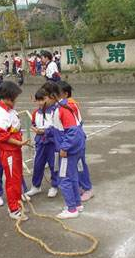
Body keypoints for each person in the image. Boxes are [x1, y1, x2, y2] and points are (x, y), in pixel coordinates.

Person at [41, 81, 84, 219]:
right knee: (72, 176)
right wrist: (45, 133)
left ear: (53, 96)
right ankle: (77, 204)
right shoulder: (58, 108)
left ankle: (71, 209)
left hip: (69, 150)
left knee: (64, 178)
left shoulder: (62, 109)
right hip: (73, 148)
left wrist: (64, 147)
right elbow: (56, 129)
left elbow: (73, 132)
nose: (43, 101)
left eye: (45, 98)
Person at [0, 81, 31, 220]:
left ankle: (17, 203)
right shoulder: (1, 113)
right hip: (8, 152)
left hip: (15, 150)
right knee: (12, 180)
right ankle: (13, 209)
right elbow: (2, 136)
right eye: (15, 97)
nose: (16, 100)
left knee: (17, 178)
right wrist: (19, 142)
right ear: (8, 98)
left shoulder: (10, 110)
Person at [57, 80, 93, 202]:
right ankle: (80, 187)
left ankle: (87, 188)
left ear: (65, 94)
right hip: (77, 138)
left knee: (80, 165)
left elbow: (74, 126)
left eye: (58, 94)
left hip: (76, 139)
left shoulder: (69, 105)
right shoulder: (68, 104)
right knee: (77, 165)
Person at [25, 88, 59, 198]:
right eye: (38, 100)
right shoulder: (36, 112)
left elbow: (57, 128)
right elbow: (33, 123)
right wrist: (34, 128)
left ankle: (54, 186)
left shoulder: (55, 111)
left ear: (49, 98)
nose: (40, 103)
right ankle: (36, 186)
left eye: (42, 99)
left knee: (54, 165)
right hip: (40, 142)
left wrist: (45, 131)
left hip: (52, 143)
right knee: (38, 164)